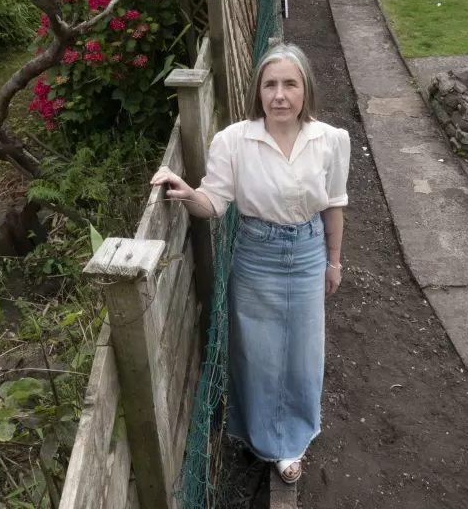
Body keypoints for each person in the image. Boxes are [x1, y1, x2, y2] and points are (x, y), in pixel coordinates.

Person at [150, 43, 350, 484]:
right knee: (257, 353)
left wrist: (333, 262)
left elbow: (334, 205)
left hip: (308, 253)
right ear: (258, 91)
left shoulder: (332, 141)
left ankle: (292, 440)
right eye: (270, 84)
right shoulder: (233, 141)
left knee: (303, 352)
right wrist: (186, 193)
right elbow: (214, 203)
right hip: (257, 255)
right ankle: (263, 437)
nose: (280, 95)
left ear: (306, 90)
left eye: (290, 84)